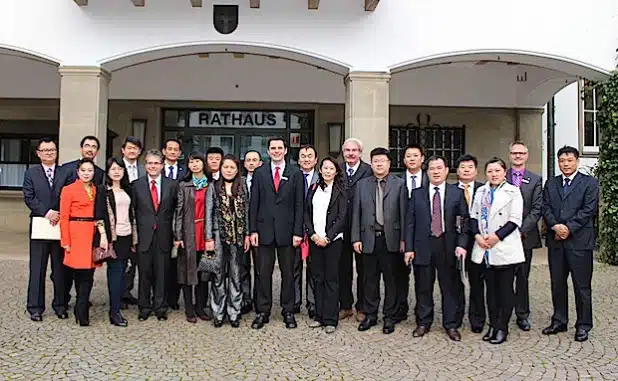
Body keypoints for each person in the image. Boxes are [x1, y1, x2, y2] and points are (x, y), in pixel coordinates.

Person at [404, 155, 468, 341]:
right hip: (423, 245)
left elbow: (464, 223)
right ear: (427, 171)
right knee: (423, 286)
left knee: (449, 287)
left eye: (439, 168)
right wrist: (409, 248)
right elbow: (410, 223)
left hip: (448, 246)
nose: (436, 171)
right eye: (432, 168)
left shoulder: (456, 193)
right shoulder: (417, 193)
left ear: (447, 170)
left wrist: (461, 245)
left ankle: (451, 324)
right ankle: (423, 322)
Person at [542, 146, 599, 342]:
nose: (566, 164)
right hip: (556, 241)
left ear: (577, 161)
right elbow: (545, 207)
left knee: (581, 285)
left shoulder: (589, 183)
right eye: (562, 161)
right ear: (558, 162)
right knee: (557, 283)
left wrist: (568, 227)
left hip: (580, 242)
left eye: (569, 160)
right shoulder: (551, 183)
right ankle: (559, 319)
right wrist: (556, 226)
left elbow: (589, 209)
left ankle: (583, 324)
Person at [249, 137, 304, 329]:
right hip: (263, 231)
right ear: (268, 151)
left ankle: (288, 310)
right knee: (263, 273)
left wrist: (298, 232)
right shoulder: (259, 173)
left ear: (286, 150)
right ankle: (262, 311)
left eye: (280, 148)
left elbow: (299, 204)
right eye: (273, 148)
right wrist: (252, 230)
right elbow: (253, 203)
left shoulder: (295, 173)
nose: (276, 151)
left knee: (288, 274)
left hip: (287, 233)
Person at [469, 157, 525, 344]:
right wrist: (477, 236)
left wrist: (496, 237)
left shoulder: (513, 191)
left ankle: (502, 327)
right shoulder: (481, 191)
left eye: (497, 171)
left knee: (505, 291)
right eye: (490, 171)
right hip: (484, 247)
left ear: (504, 173)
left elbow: (515, 220)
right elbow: (473, 216)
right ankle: (492, 325)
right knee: (490, 291)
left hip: (503, 246)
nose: (494, 174)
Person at [352, 147, 407, 335]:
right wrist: (356, 238)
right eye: (375, 161)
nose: (379, 164)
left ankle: (389, 317)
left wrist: (403, 240)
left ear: (389, 164)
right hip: (368, 238)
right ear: (371, 163)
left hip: (390, 239)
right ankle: (370, 314)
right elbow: (356, 214)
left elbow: (404, 214)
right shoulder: (362, 185)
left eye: (382, 161)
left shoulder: (399, 184)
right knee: (369, 280)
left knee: (391, 280)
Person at [23, 137, 68, 322]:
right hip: (40, 226)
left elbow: (70, 195)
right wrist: (46, 212)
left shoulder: (65, 172)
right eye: (45, 150)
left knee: (59, 270)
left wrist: (59, 213)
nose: (49, 153)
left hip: (60, 225)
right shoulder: (31, 173)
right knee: (37, 269)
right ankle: (35, 307)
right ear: (38, 153)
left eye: (52, 150)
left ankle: (60, 305)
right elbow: (29, 196)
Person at [132, 149, 179, 321]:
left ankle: (160, 307)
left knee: (162, 273)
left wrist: (176, 235)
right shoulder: (136, 185)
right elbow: (134, 213)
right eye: (150, 163)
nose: (153, 166)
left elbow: (176, 211)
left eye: (156, 163)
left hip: (164, 236)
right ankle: (144, 307)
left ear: (162, 165)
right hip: (144, 236)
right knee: (144, 273)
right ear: (145, 165)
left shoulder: (172, 185)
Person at [206, 154, 251, 327]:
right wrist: (209, 237)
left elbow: (246, 212)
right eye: (226, 167)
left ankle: (234, 312)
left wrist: (247, 234)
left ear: (237, 169)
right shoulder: (214, 187)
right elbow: (209, 213)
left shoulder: (242, 187)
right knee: (217, 275)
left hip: (238, 238)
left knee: (235, 275)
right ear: (220, 169)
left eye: (232, 167)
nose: (229, 170)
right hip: (218, 236)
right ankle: (218, 312)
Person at [304, 157, 347, 334]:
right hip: (315, 240)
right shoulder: (314, 188)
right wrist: (312, 234)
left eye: (331, 168)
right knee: (318, 278)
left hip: (332, 242)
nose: (328, 171)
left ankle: (330, 319)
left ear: (336, 171)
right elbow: (306, 212)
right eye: (325, 168)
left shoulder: (341, 190)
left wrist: (328, 237)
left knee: (331, 279)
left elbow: (342, 217)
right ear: (320, 170)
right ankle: (319, 316)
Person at [94, 157, 138, 327]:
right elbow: (98, 216)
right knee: (115, 272)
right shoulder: (103, 191)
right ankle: (114, 311)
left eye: (120, 169)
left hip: (127, 236)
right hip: (113, 238)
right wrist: (104, 236)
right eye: (113, 169)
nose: (117, 171)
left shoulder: (128, 190)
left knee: (124, 273)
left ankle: (118, 304)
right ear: (108, 172)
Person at [506, 141, 542, 332]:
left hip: (524, 237)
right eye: (514, 153)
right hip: (502, 237)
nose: (518, 156)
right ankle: (502, 312)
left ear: (527, 156)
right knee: (503, 277)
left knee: (522, 277)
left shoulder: (536, 180)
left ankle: (522, 315)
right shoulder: (501, 175)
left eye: (521, 153)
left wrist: (520, 230)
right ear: (510, 155)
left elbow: (537, 209)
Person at [173, 152, 212, 323]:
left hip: (206, 232)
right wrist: (178, 235)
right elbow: (178, 212)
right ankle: (189, 308)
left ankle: (200, 307)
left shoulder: (211, 185)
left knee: (204, 272)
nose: (195, 165)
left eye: (197, 161)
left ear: (203, 164)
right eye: (191, 162)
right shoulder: (183, 185)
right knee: (187, 271)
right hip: (189, 232)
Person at [59, 158, 98, 326]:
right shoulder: (69, 190)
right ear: (78, 172)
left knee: (89, 273)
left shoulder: (96, 190)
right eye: (83, 170)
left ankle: (82, 306)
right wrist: (65, 240)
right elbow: (64, 217)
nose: (86, 173)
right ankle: (80, 308)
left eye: (90, 170)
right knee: (78, 273)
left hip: (91, 232)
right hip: (76, 232)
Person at [339, 137, 372, 322]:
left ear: (360, 152)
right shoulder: (338, 169)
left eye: (354, 150)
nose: (351, 154)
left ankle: (362, 307)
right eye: (347, 150)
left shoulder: (368, 170)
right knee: (343, 269)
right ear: (343, 152)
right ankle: (345, 306)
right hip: (342, 227)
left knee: (364, 270)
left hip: (362, 228)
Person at [395, 144, 429, 323]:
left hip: (424, 235)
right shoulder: (397, 180)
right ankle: (400, 309)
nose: (412, 159)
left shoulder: (430, 179)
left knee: (423, 277)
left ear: (422, 158)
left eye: (416, 155)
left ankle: (421, 312)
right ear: (404, 160)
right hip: (401, 234)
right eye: (408, 156)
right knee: (400, 275)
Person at [454, 154, 485, 333]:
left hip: (479, 242)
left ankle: (477, 319)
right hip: (456, 244)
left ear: (476, 170)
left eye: (470, 167)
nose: (466, 170)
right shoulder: (449, 191)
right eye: (463, 167)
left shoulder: (484, 190)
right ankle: (456, 317)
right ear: (457, 171)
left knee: (477, 282)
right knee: (456, 282)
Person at [120, 136, 144, 309]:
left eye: (135, 148)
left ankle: (127, 291)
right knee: (121, 259)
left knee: (134, 259)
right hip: (120, 220)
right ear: (123, 150)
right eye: (129, 148)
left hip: (139, 220)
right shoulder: (115, 168)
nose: (132, 151)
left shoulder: (143, 170)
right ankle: (119, 293)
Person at [161, 138, 185, 310]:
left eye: (176, 149)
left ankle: (173, 299)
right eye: (169, 149)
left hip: (180, 222)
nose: (172, 152)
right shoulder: (156, 169)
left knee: (177, 262)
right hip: (161, 222)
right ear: (164, 151)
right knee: (161, 262)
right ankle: (159, 296)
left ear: (180, 153)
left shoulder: (185, 171)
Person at [295, 144, 318, 318]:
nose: (306, 159)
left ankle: (312, 303)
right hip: (295, 229)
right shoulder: (293, 177)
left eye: (310, 156)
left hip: (315, 230)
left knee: (313, 268)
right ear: (298, 160)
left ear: (316, 160)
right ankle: (295, 301)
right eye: (303, 156)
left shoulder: (322, 178)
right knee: (294, 267)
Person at [240, 150, 263, 314]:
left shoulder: (264, 180)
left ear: (260, 163)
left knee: (261, 268)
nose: (252, 163)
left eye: (255, 160)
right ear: (244, 163)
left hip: (259, 231)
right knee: (242, 267)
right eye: (248, 160)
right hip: (241, 231)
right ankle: (245, 299)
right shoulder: (239, 181)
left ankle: (259, 300)